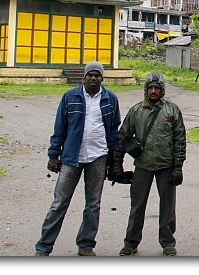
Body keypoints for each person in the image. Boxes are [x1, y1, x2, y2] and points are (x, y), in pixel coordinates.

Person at [35, 61, 121, 256]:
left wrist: (114, 159)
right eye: (90, 75)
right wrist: (53, 155)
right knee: (59, 203)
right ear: (84, 77)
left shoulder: (110, 99)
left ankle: (85, 245)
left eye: (97, 75)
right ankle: (44, 247)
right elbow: (60, 128)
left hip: (98, 157)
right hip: (71, 158)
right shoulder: (70, 97)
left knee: (93, 205)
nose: (93, 78)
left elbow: (114, 131)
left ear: (102, 78)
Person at [113, 72, 186, 256]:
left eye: (157, 88)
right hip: (143, 165)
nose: (153, 91)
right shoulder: (136, 111)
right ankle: (131, 242)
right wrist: (116, 164)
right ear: (146, 90)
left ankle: (168, 242)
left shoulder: (172, 111)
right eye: (150, 88)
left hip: (166, 166)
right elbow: (122, 137)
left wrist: (178, 167)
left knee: (168, 207)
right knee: (137, 206)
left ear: (162, 90)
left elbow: (180, 140)